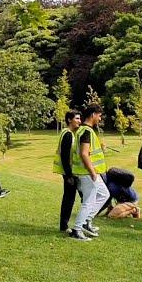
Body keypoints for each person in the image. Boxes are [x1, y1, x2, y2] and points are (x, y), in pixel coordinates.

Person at [69, 103, 108, 241]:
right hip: (87, 173)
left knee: (104, 194)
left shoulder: (83, 130)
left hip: (88, 172)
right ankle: (77, 230)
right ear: (93, 115)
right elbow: (84, 154)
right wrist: (92, 172)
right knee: (88, 202)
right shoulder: (86, 131)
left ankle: (86, 221)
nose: (100, 118)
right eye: (99, 115)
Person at [52, 110, 82, 232]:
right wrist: (69, 175)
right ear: (69, 120)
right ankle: (64, 226)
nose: (79, 121)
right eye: (77, 118)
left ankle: (66, 225)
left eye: (80, 119)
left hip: (70, 172)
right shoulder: (68, 134)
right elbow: (65, 156)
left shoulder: (70, 133)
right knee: (69, 199)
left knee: (70, 198)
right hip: (69, 173)